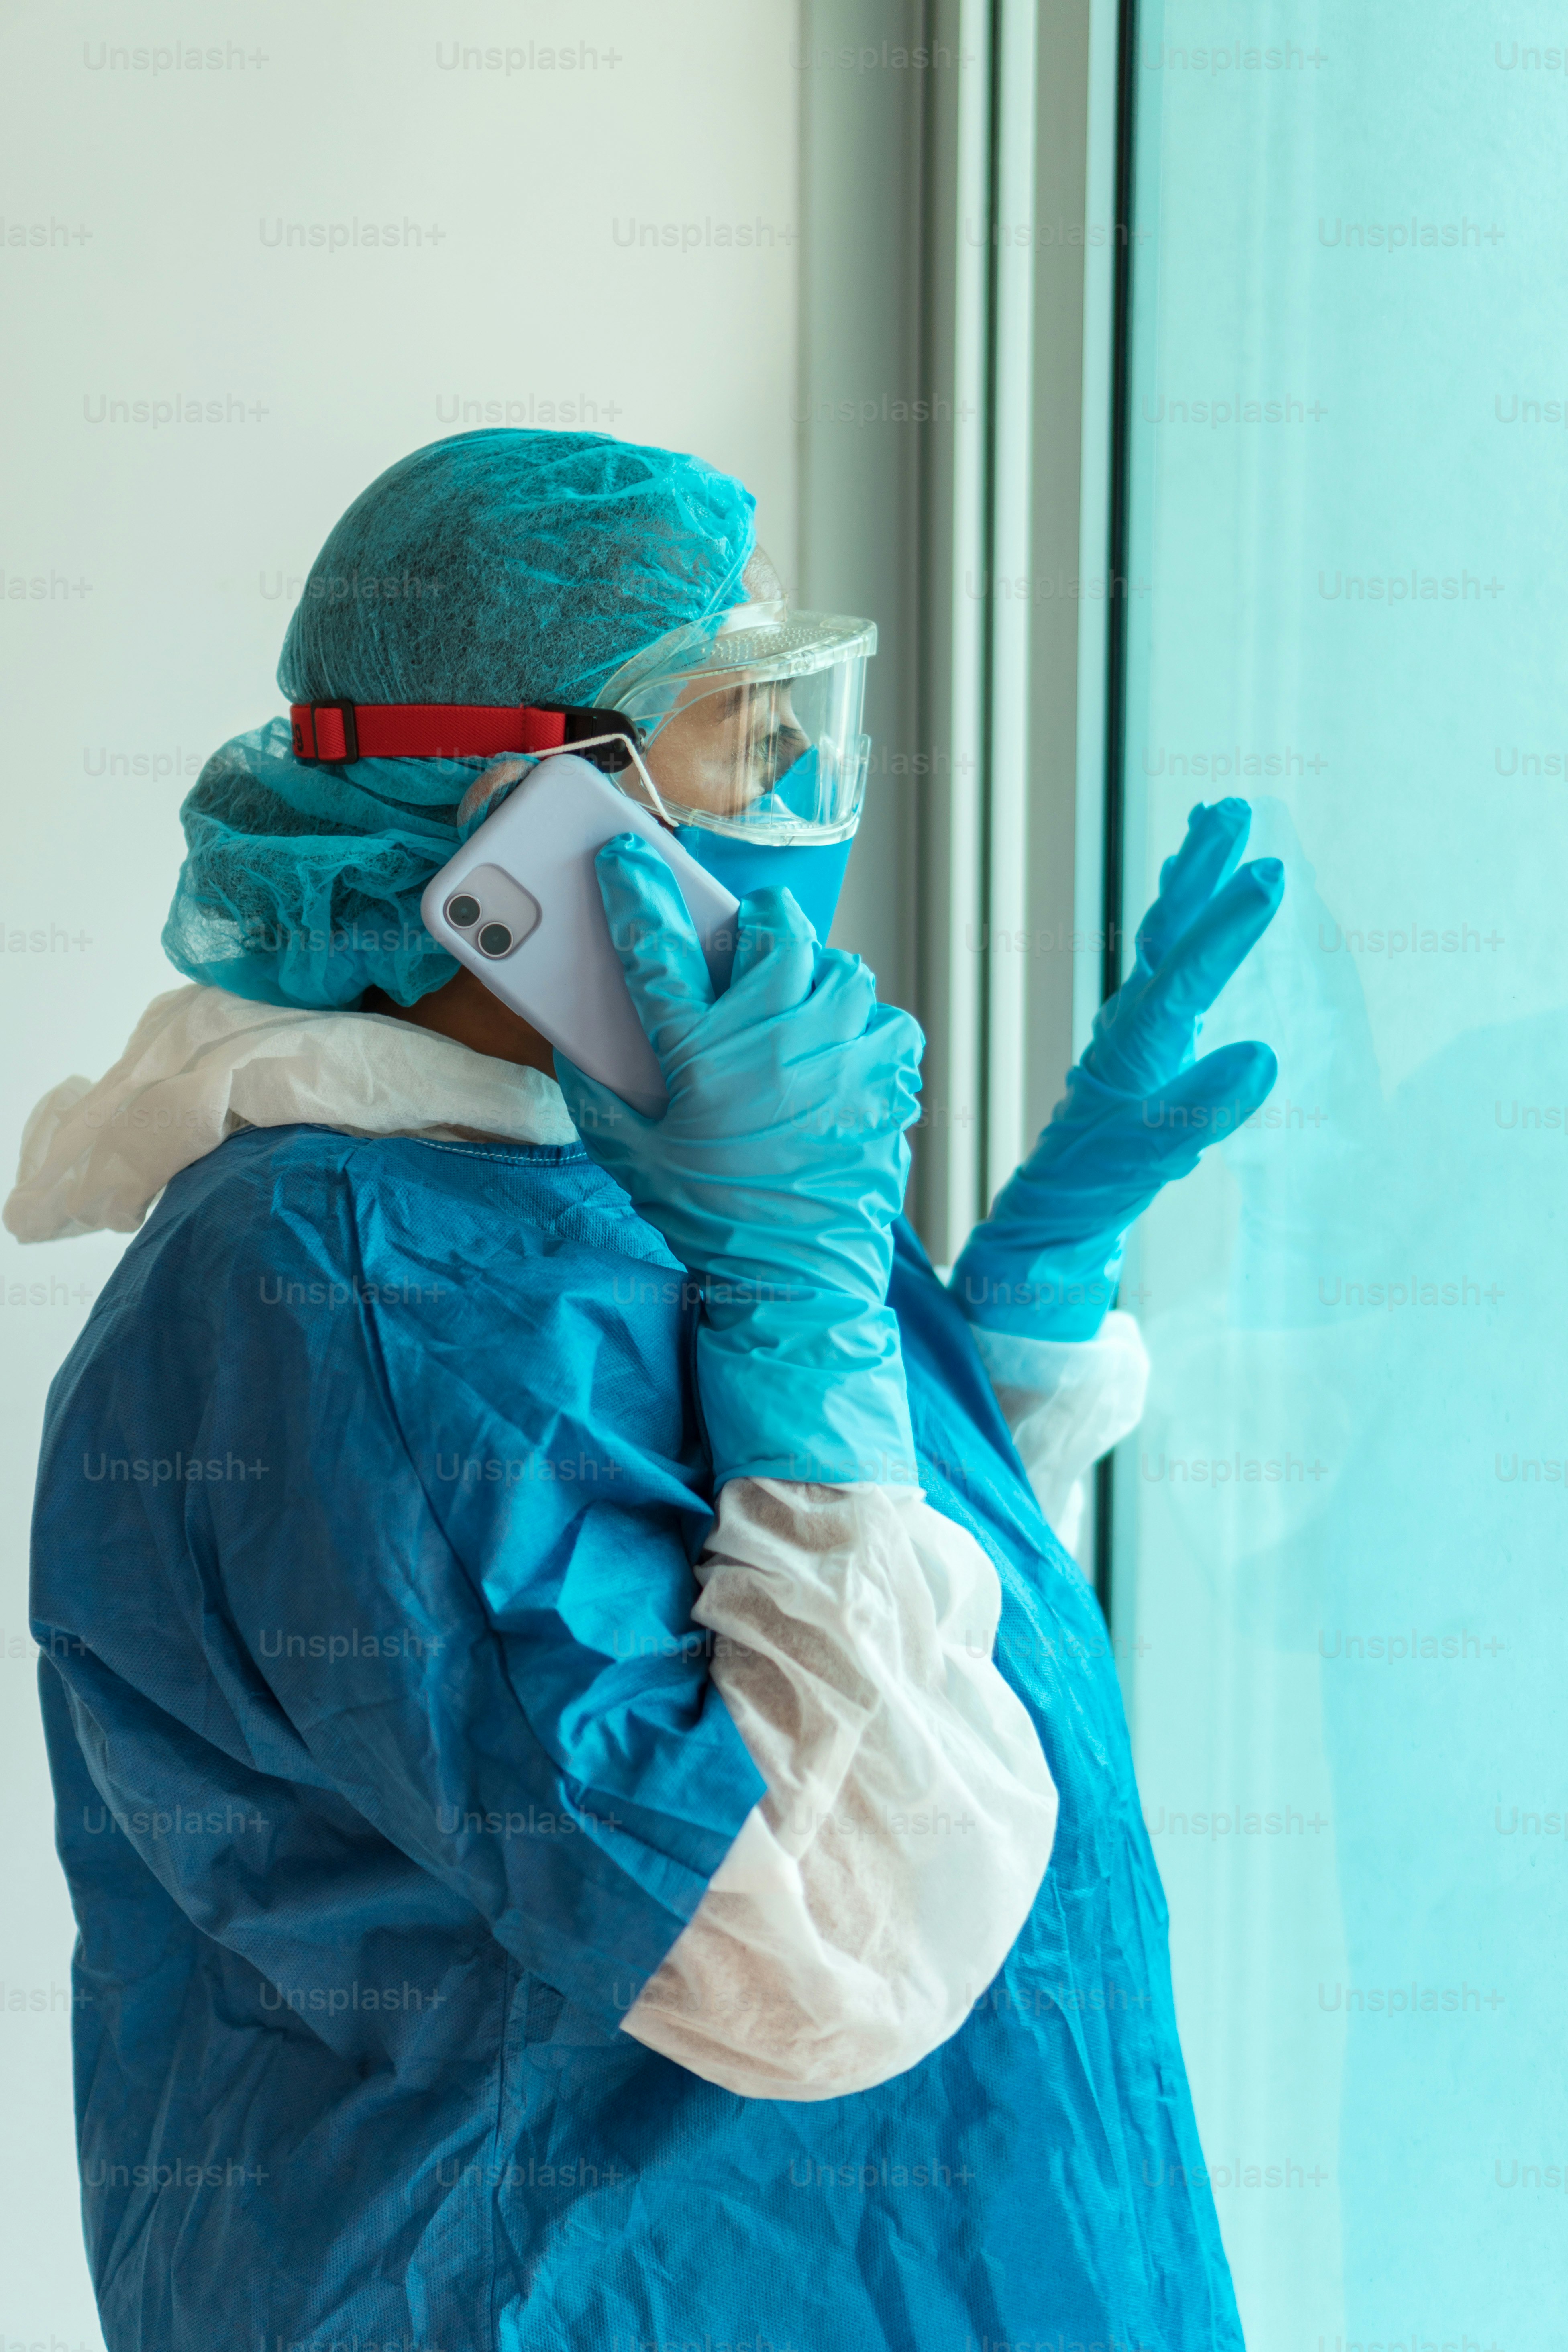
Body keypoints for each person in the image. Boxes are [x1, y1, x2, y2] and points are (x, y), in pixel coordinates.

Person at [7, 429, 1281, 2352]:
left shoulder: (583, 1165)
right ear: (532, 809)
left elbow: (793, 1616)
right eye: (739, 723)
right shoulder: (340, 1288)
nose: (797, 788)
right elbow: (821, 1928)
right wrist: (800, 1294)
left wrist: (993, 1305)